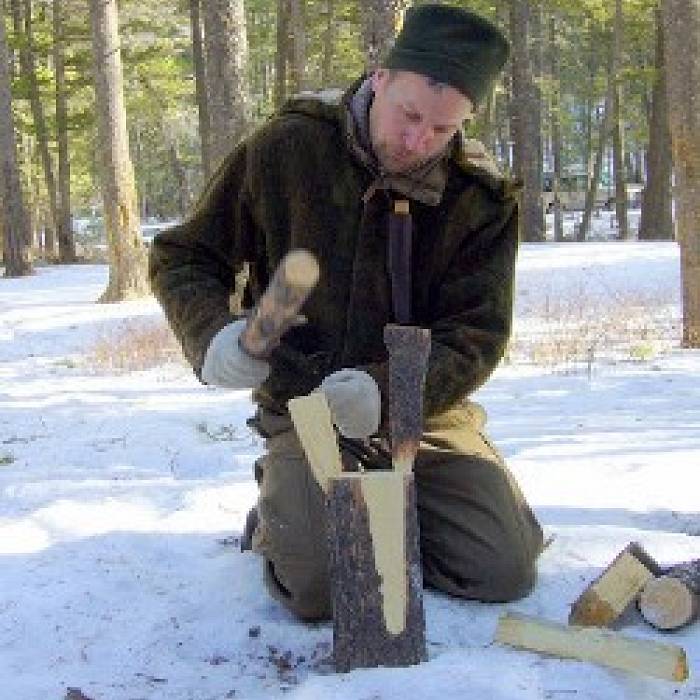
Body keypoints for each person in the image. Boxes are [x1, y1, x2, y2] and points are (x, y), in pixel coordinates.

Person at [149, 3, 543, 621]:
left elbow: (477, 333)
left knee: (501, 569)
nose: (418, 141)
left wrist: (391, 393)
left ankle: (387, 501)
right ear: (380, 79)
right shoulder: (287, 146)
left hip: (423, 406)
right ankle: (288, 504)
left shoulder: (480, 198)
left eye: (441, 129)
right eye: (409, 114)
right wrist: (213, 339)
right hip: (304, 401)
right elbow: (185, 256)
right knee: (326, 589)